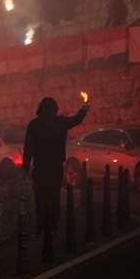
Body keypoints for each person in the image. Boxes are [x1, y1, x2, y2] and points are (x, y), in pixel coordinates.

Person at [21, 96, 89, 242]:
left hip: (40, 167)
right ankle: (53, 225)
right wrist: (84, 109)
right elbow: (76, 119)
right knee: (54, 196)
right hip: (55, 167)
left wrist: (25, 168)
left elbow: (28, 148)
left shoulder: (34, 125)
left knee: (40, 197)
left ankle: (40, 226)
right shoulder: (60, 122)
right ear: (55, 109)